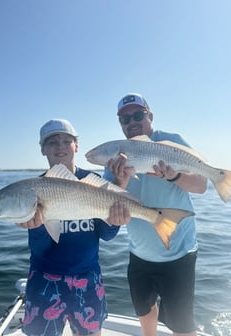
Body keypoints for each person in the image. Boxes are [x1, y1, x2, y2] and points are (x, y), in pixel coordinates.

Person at [104, 93, 207, 336]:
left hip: (178, 253)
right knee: (144, 312)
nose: (132, 122)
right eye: (125, 118)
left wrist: (174, 176)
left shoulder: (172, 142)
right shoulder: (116, 156)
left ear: (150, 116)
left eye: (138, 115)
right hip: (139, 254)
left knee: (182, 325)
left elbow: (201, 185)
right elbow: (109, 201)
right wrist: (121, 179)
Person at [19, 118, 130, 336]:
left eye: (66, 141)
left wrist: (115, 222)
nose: (60, 147)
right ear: (42, 149)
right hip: (44, 278)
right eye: (52, 142)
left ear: (76, 145)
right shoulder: (33, 190)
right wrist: (38, 227)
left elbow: (106, 234)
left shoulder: (92, 181)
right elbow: (40, 248)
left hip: (88, 277)